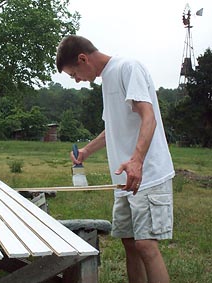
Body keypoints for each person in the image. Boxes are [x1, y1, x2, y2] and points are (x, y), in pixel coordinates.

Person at [56, 35, 175, 283]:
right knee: (130, 244)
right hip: (125, 181)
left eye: (73, 74)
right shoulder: (107, 79)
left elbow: (148, 115)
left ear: (82, 58)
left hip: (148, 174)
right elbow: (112, 128)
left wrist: (137, 161)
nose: (77, 80)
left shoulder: (127, 67)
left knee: (145, 245)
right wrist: (87, 151)